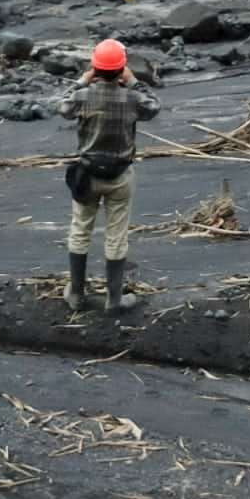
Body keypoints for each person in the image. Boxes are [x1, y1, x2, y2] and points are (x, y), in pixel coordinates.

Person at [57, 38, 160, 316]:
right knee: (116, 235)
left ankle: (77, 295)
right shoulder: (132, 98)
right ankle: (114, 299)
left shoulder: (83, 96)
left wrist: (82, 80)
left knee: (80, 229)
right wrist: (134, 81)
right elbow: (153, 106)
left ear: (95, 67)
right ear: (122, 69)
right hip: (120, 175)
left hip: (87, 175)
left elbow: (63, 107)